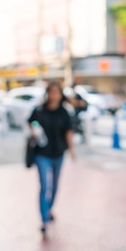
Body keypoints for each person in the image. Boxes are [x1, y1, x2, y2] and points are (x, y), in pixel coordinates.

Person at [27, 81, 77, 237]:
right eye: (51, 92)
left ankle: (48, 209)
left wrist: (71, 149)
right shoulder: (39, 110)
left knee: (54, 185)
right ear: (47, 93)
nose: (54, 95)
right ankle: (44, 219)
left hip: (58, 153)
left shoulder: (64, 112)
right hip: (42, 153)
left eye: (57, 92)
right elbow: (31, 122)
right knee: (44, 186)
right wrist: (34, 130)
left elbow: (69, 131)